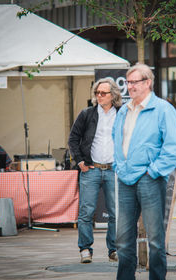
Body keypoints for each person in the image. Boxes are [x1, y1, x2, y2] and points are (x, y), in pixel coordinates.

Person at [112, 63, 176, 280]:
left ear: (148, 83)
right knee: (123, 240)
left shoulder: (163, 109)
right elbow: (117, 141)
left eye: (134, 82)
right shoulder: (124, 110)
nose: (130, 87)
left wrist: (154, 171)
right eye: (128, 82)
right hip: (125, 178)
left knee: (155, 239)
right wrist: (118, 165)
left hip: (149, 179)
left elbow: (174, 147)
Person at [68, 78, 122, 264]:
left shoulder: (122, 114)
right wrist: (80, 161)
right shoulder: (87, 114)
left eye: (103, 93)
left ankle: (113, 250)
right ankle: (85, 249)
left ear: (113, 95)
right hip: (91, 169)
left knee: (116, 212)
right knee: (86, 211)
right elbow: (73, 138)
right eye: (97, 92)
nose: (99, 96)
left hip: (113, 169)